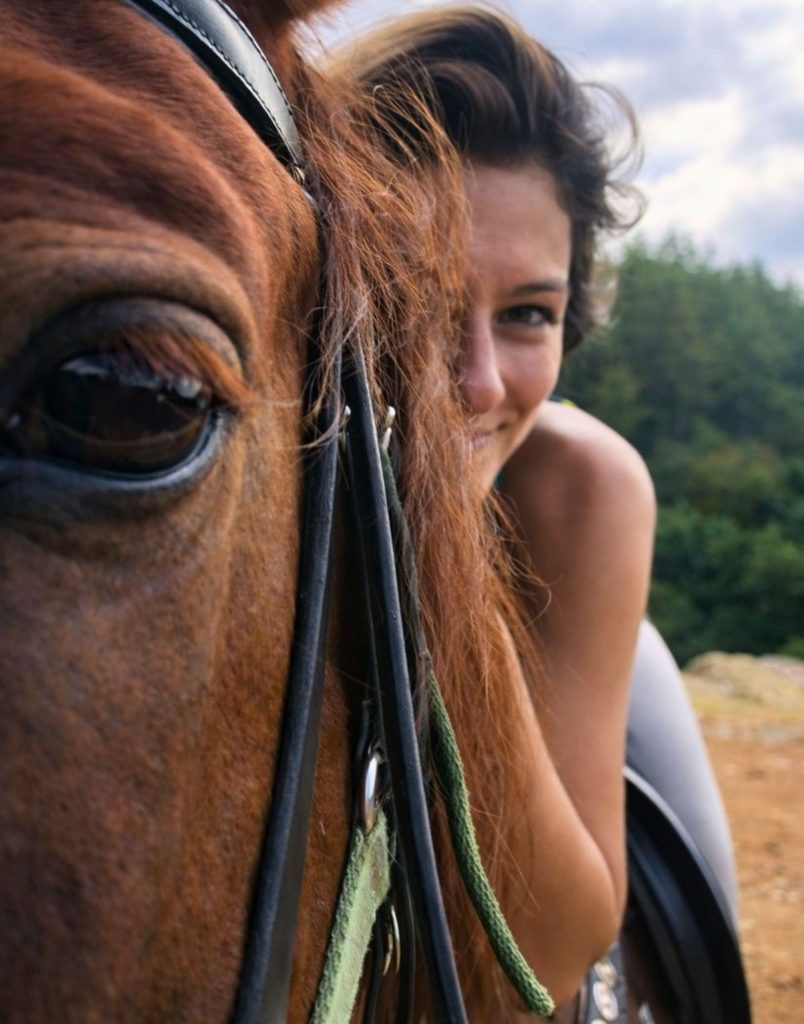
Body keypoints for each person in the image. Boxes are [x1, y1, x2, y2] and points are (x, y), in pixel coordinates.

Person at [336, 5, 740, 1017]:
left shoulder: (585, 489)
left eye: (528, 314)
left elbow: (546, 954)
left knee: (706, 933)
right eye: (408, 295)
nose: (476, 383)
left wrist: (440, 549)